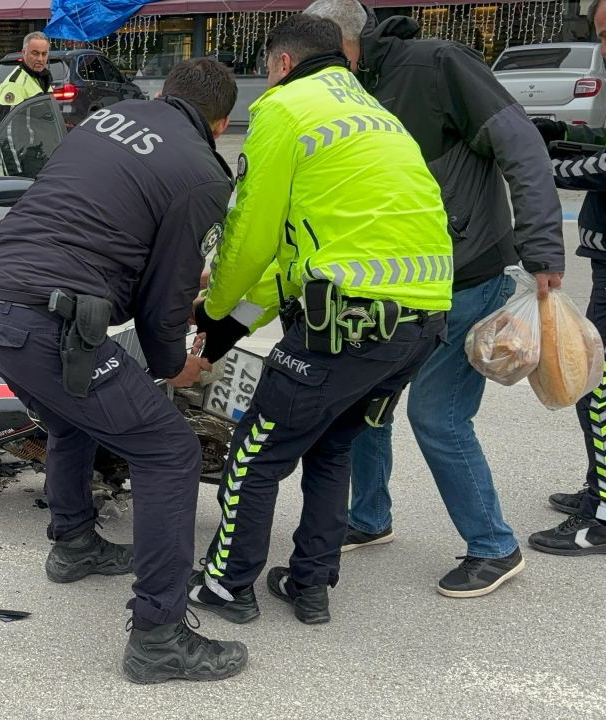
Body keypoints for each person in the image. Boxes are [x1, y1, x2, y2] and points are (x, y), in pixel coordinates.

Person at [0, 58, 245, 684]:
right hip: (43, 321)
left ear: (165, 95)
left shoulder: (106, 119)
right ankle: (159, 637)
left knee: (72, 419)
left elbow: (100, 230)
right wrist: (175, 366)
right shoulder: (203, 172)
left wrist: (173, 280)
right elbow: (162, 305)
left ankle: (74, 545)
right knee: (168, 451)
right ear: (222, 124)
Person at [187, 15, 452, 627]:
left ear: (282, 63)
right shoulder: (374, 114)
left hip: (349, 323)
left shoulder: (285, 109)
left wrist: (215, 307)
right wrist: (230, 324)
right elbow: (295, 261)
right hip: (420, 322)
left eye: (265, 69)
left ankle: (227, 585)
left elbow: (251, 236)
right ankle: (310, 585)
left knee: (254, 452)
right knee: (332, 445)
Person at [305, 0, 566, 596]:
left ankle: (494, 546)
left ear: (345, 42)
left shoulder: (438, 64)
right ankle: (369, 518)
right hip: (395, 285)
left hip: (466, 274)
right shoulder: (348, 87)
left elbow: (522, 147)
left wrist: (543, 250)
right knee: (365, 402)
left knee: (437, 415)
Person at [529, 0, 606, 555]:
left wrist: (547, 168)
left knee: (601, 392)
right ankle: (604, 490)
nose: (605, 49)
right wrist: (562, 134)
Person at [0, 32, 52, 123]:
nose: (40, 59)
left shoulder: (42, 78)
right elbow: (7, 127)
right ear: (24, 52)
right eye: (35, 53)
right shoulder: (14, 85)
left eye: (44, 54)